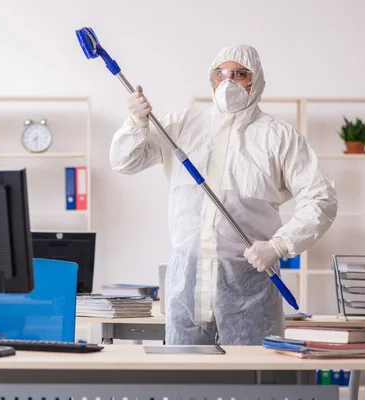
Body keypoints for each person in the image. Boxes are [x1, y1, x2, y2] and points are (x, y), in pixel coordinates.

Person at [109, 44, 338, 345]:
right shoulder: (181, 126)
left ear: (256, 83)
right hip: (187, 288)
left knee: (253, 386)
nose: (228, 82)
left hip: (250, 285)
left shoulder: (278, 137)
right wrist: (137, 124)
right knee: (188, 387)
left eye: (239, 74)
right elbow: (124, 162)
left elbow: (321, 199)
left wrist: (279, 245)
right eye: (221, 74)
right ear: (211, 80)